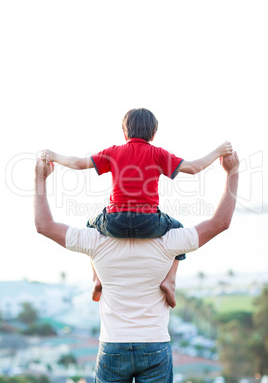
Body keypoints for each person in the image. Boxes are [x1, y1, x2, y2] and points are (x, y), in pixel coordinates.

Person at [35, 151, 239, 382]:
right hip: (154, 344)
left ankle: (96, 279)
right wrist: (232, 172)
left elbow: (45, 225)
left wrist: (40, 179)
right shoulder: (169, 240)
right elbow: (220, 222)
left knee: (88, 229)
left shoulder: (95, 240)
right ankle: (169, 279)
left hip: (113, 345)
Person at [41, 108, 233, 307]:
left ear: (124, 132)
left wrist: (54, 156)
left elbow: (78, 163)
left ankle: (97, 278)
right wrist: (218, 151)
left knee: (90, 224)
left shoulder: (114, 152)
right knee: (178, 228)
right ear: (154, 134)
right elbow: (194, 168)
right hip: (148, 223)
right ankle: (170, 279)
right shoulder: (158, 154)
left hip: (115, 222)